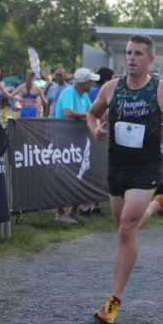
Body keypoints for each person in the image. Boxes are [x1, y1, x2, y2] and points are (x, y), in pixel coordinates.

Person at [86, 34, 163, 324]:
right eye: (129, 53)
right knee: (125, 229)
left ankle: (114, 299)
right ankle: (157, 203)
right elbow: (92, 114)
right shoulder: (111, 88)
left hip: (146, 167)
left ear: (150, 59)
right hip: (117, 166)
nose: (131, 58)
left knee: (125, 229)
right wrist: (96, 129)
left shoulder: (162, 89)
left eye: (138, 54)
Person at [54, 67, 100, 223]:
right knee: (62, 176)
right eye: (91, 81)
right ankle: (60, 213)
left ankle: (73, 212)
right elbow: (67, 112)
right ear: (85, 83)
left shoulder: (84, 95)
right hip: (64, 140)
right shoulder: (69, 92)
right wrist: (89, 115)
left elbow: (93, 112)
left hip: (77, 141)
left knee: (81, 174)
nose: (93, 84)